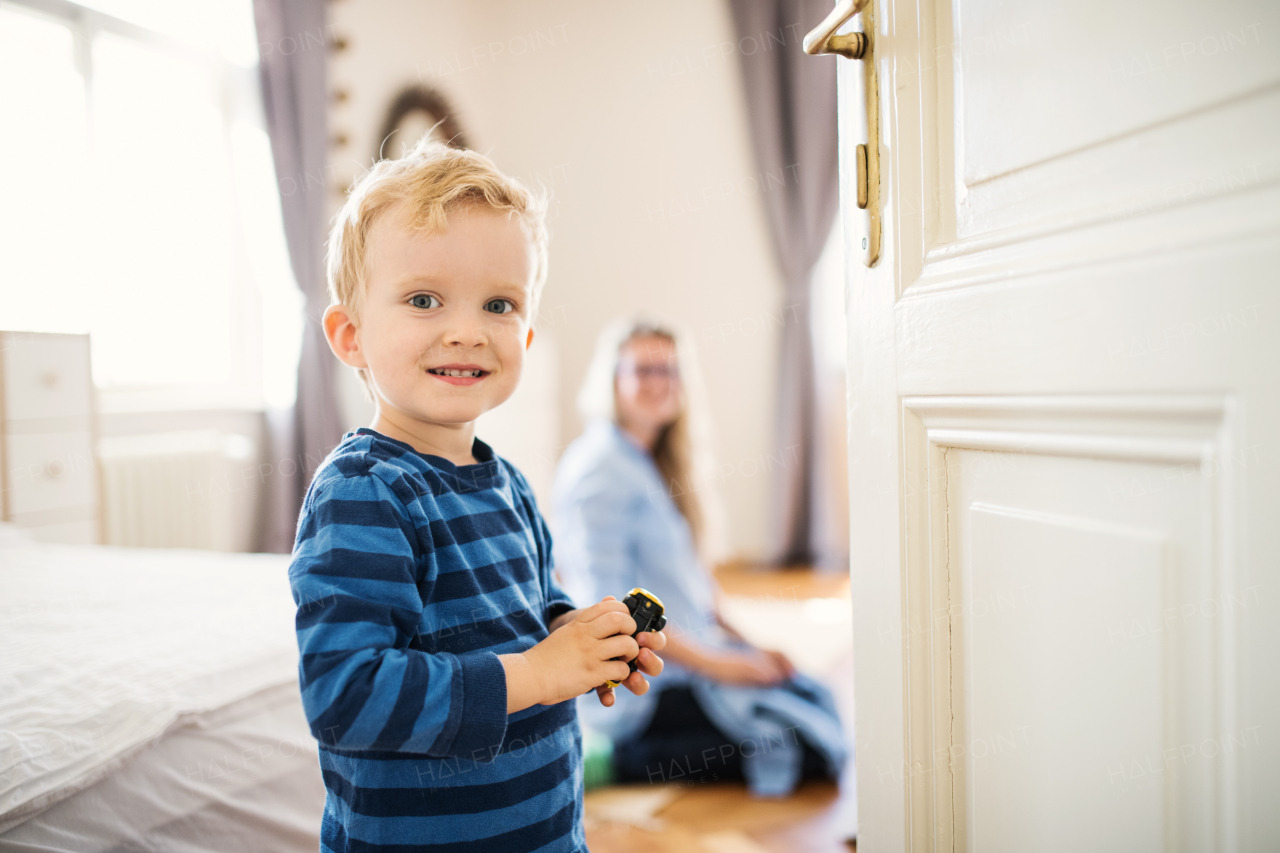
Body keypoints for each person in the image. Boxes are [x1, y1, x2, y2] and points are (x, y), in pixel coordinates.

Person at [288, 140, 666, 852]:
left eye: (498, 304)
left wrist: (584, 642)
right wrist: (536, 672)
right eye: (424, 299)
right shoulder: (365, 491)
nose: (466, 330)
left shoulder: (510, 483)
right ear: (351, 335)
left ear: (524, 334)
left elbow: (530, 617)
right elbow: (347, 695)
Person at [553, 318, 847, 797]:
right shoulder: (599, 471)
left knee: (816, 696)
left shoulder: (651, 459)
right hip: (650, 689)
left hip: (695, 656)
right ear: (612, 380)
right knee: (808, 741)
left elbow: (694, 587)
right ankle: (619, 759)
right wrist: (718, 664)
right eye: (643, 370)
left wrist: (747, 647)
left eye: (669, 371)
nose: (658, 383)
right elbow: (612, 605)